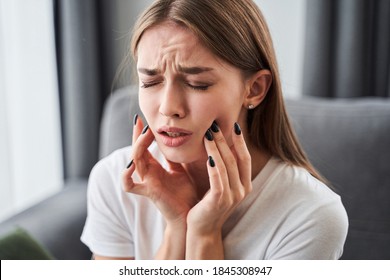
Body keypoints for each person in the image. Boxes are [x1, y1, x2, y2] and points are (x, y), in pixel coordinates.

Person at [81, 0, 348, 260]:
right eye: (150, 82)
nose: (168, 108)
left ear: (254, 89)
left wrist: (204, 233)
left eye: (197, 84)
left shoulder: (313, 215)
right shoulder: (114, 180)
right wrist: (178, 227)